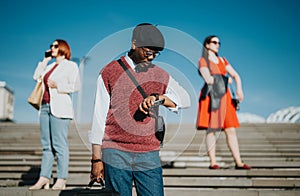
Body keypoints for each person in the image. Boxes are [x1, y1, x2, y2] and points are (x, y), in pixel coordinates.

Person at [89, 23, 190, 196]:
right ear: (134, 44)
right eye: (148, 52)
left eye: (155, 54)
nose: (151, 57)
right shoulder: (109, 71)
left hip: (148, 151)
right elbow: (99, 117)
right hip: (115, 151)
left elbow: (185, 98)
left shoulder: (159, 73)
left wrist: (158, 99)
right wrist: (96, 159)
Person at [29, 39, 81, 190]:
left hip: (60, 108)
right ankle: (44, 177)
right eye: (51, 46)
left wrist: (58, 85)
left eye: (55, 46)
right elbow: (36, 77)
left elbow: (76, 86)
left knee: (59, 145)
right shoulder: (50, 66)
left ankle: (61, 178)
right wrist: (44, 60)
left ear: (63, 48)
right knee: (47, 145)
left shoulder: (71, 66)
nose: (52, 48)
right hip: (44, 107)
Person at [196, 35, 251, 170]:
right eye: (214, 42)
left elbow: (236, 75)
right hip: (212, 97)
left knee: (230, 130)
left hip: (225, 97)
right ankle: (213, 162)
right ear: (207, 45)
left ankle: (238, 162)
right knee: (211, 130)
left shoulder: (222, 60)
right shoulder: (203, 60)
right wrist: (225, 80)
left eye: (219, 42)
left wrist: (239, 90)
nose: (217, 44)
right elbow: (208, 79)